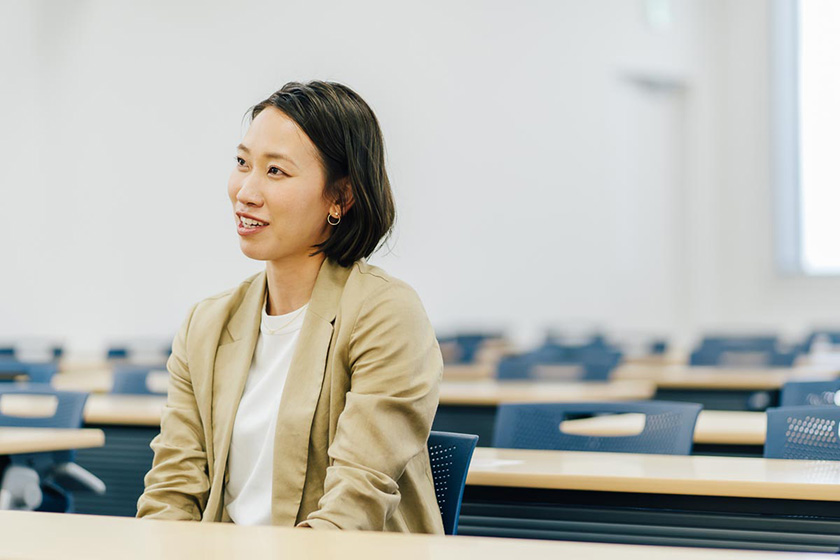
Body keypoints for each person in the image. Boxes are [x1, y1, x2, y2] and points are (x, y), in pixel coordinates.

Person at [136, 81, 444, 533]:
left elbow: (351, 510)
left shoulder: (387, 314)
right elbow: (169, 495)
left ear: (340, 197)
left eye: (275, 171)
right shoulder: (206, 324)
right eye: (242, 163)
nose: (246, 191)